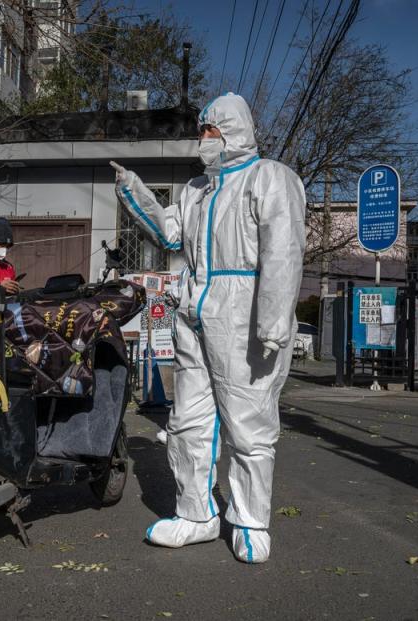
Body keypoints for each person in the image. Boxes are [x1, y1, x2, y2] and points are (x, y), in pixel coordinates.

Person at [111, 92, 306, 563]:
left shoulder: (270, 179)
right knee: (187, 422)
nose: (203, 140)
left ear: (234, 132)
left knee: (248, 422)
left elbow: (283, 253)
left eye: (210, 131)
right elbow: (169, 233)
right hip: (194, 310)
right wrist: (135, 191)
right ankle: (196, 514)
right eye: (201, 131)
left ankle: (250, 520)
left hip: (245, 313)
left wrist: (273, 321)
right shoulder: (196, 190)